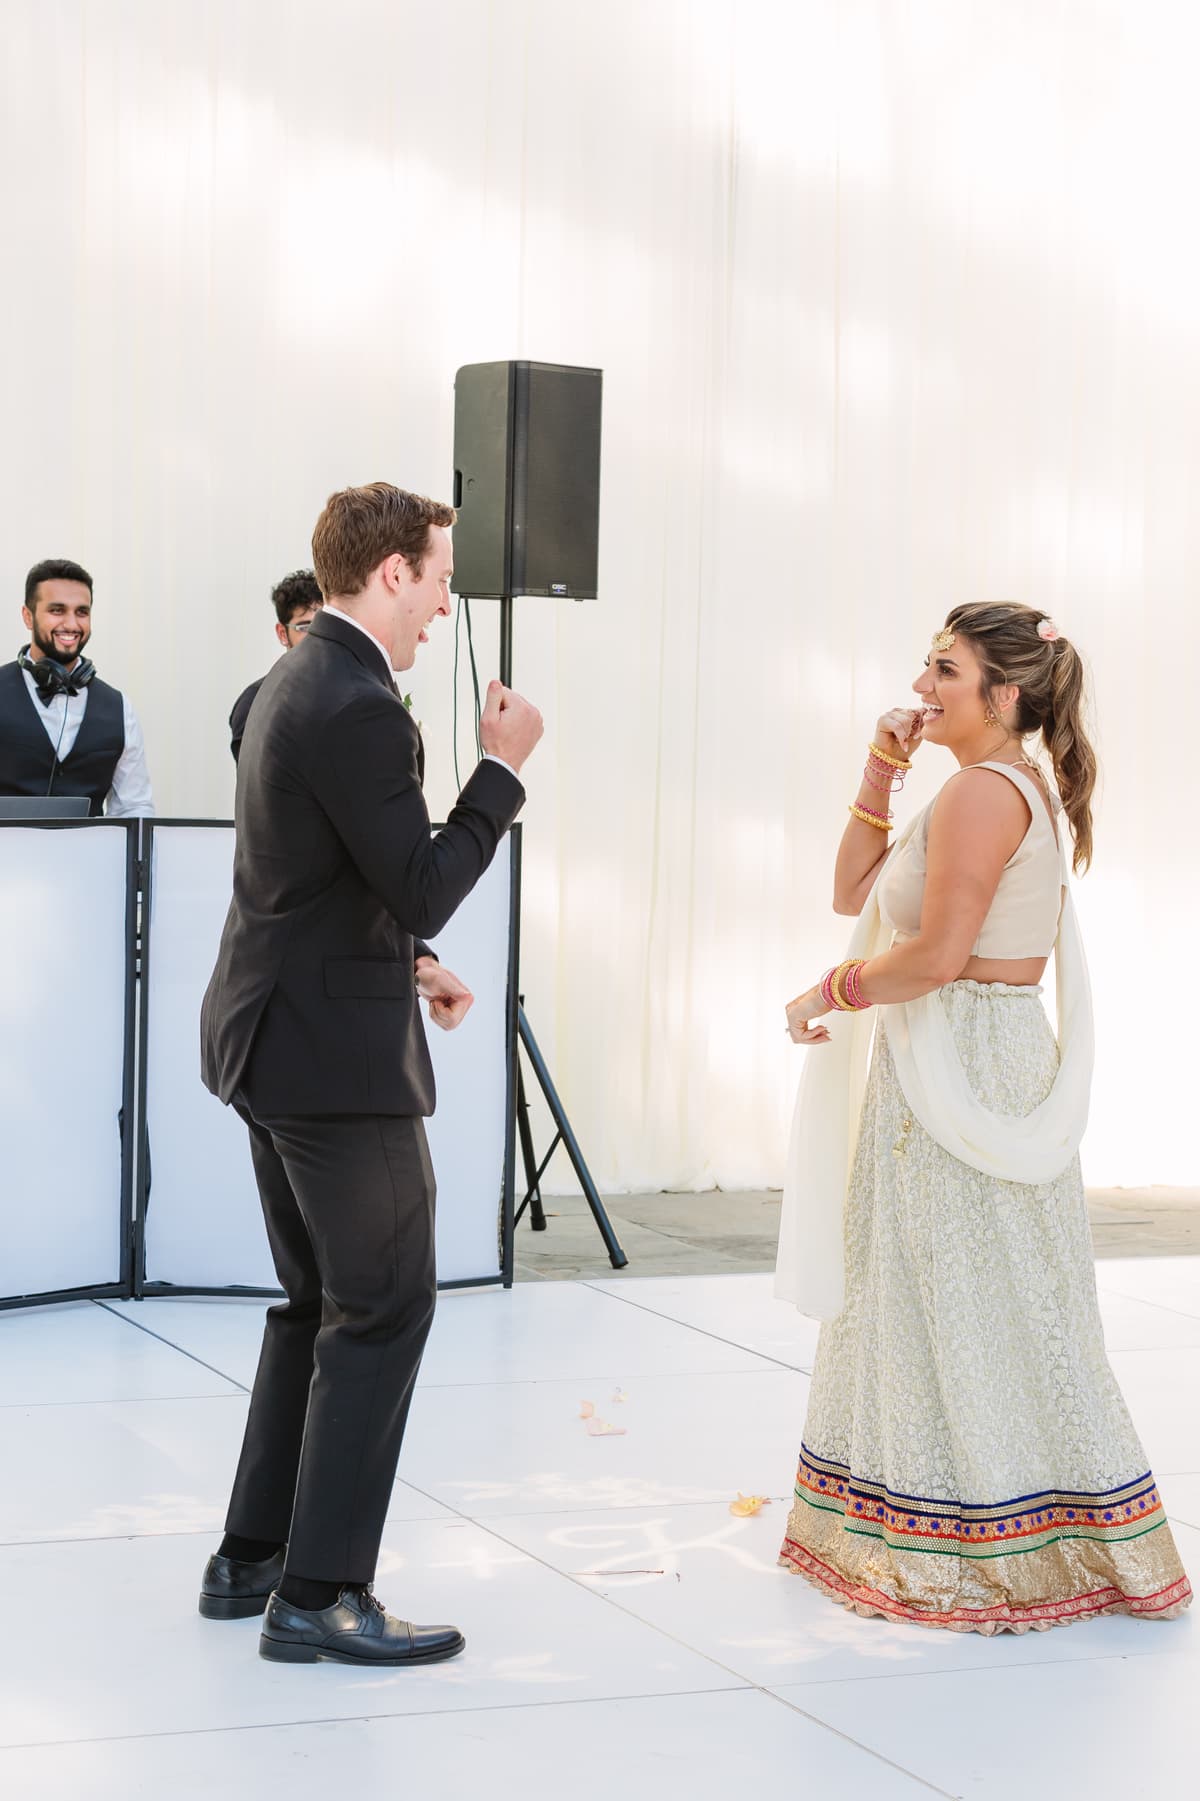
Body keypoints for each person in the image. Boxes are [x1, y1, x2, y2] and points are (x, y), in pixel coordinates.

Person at [775, 602, 1192, 1633]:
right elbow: (852, 889)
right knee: (949, 1291)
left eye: (945, 670)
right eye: (926, 664)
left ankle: (984, 1547)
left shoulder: (982, 795)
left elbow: (935, 957)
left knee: (965, 1291)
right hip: (963, 1053)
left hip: (960, 1055)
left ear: (1004, 695)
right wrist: (881, 766)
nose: (923, 685)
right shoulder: (986, 786)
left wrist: (827, 993)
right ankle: (986, 1529)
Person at [198, 482, 542, 1665]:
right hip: (332, 1068)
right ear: (391, 573)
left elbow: (327, 880)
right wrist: (501, 770)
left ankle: (251, 1558)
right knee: (384, 1303)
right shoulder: (355, 702)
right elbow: (422, 875)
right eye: (441, 577)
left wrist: (415, 966)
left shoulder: (294, 679)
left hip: (275, 1034)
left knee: (316, 1305)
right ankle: (322, 1591)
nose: (448, 604)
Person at [0, 559, 154, 815]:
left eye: (81, 612)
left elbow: (134, 806)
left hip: (91, 855)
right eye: (57, 610)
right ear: (28, 617)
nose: (71, 624)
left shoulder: (120, 708)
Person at [229, 569, 324, 763]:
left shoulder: (347, 690)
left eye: (321, 624)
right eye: (304, 627)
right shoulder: (254, 702)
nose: (316, 635)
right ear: (282, 633)